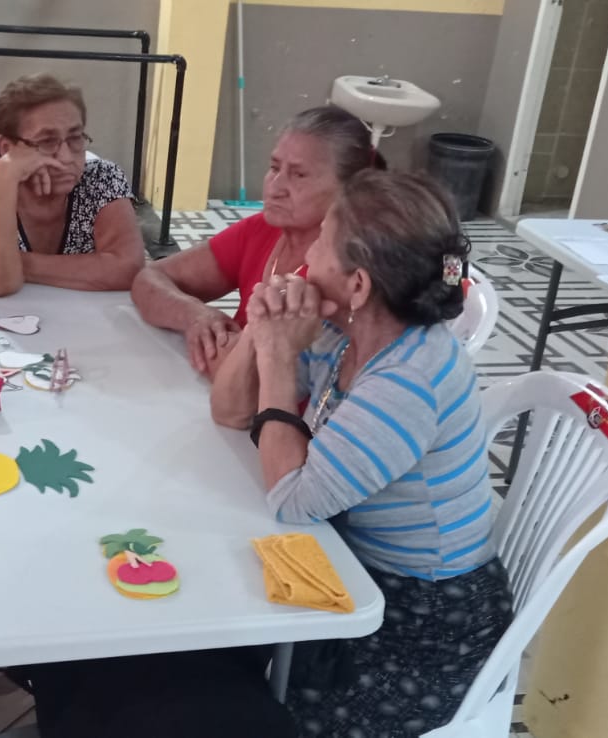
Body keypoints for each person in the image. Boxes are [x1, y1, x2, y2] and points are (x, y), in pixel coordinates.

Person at [209, 171, 512, 737]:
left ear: (358, 285)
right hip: (352, 564)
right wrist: (261, 326)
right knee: (209, 640)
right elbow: (229, 410)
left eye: (321, 241)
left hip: (423, 620)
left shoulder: (408, 378)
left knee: (252, 710)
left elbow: (294, 501)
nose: (306, 255)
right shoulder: (346, 334)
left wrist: (276, 358)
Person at [131, 105, 378, 378]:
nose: (275, 187)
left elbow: (251, 376)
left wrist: (218, 344)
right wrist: (194, 315)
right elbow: (148, 279)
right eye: (274, 168)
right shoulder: (263, 230)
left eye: (298, 175)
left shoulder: (338, 270)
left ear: (349, 188)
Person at [0, 74, 145, 296]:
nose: (66, 157)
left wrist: (16, 263)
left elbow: (128, 268)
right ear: (7, 148)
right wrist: (5, 177)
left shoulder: (102, 180)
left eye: (75, 137)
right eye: (47, 141)